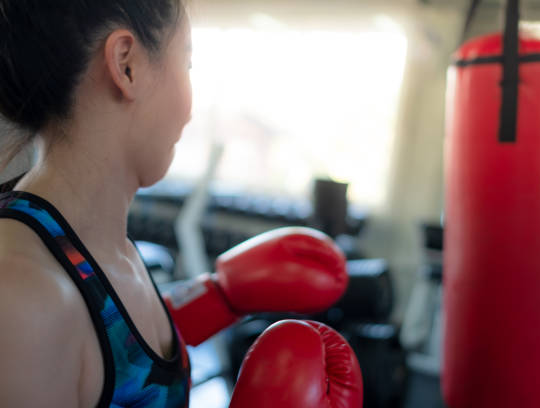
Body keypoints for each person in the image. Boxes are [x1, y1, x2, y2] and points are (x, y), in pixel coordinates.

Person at [0, 1, 363, 407]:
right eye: (187, 65)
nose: (189, 110)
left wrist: (219, 297)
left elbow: (112, 356)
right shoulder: (23, 296)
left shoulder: (102, 247)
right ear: (127, 64)